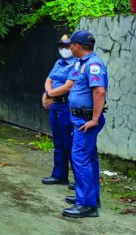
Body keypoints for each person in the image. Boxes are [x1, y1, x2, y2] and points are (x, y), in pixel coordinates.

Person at [45, 30, 107, 218]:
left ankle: (86, 204)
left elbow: (99, 92)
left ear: (77, 46)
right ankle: (90, 197)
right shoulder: (82, 64)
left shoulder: (93, 65)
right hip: (81, 118)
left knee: (80, 158)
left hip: (86, 119)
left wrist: (94, 119)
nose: (68, 47)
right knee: (89, 158)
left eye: (70, 44)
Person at [40, 34, 77, 187]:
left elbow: (69, 86)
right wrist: (47, 94)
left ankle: (79, 179)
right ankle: (59, 175)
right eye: (62, 47)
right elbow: (49, 79)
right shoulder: (59, 62)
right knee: (58, 142)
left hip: (66, 106)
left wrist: (49, 95)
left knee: (70, 143)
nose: (64, 50)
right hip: (55, 105)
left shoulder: (77, 64)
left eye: (67, 46)